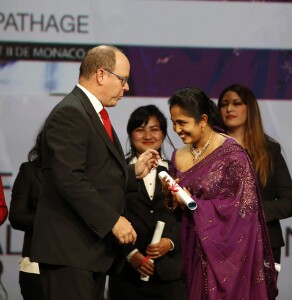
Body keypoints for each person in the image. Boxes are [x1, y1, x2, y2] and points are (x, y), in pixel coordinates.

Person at [30, 45, 160, 300]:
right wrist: (112, 220)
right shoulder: (71, 112)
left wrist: (133, 172)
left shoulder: (90, 112)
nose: (127, 88)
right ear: (101, 75)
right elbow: (69, 178)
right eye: (123, 79)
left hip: (87, 253)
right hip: (69, 252)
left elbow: (95, 173)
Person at [163, 87, 278, 299]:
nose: (176, 129)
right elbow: (176, 212)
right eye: (173, 122)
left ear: (203, 120)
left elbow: (243, 212)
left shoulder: (233, 155)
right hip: (191, 251)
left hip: (228, 259)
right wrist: (172, 198)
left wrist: (195, 205)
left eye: (182, 123)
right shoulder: (178, 155)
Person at [109, 105, 187, 300]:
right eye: (140, 129)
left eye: (154, 129)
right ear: (130, 134)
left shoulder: (179, 173)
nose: (147, 135)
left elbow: (189, 218)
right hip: (127, 277)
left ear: (163, 133)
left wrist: (170, 242)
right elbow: (106, 215)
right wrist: (130, 254)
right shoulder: (116, 174)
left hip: (172, 277)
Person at [217, 83, 292, 268]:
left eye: (237, 103)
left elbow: (290, 203)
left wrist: (252, 211)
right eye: (224, 104)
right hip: (220, 244)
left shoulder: (270, 150)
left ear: (250, 109)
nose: (229, 108)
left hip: (264, 244)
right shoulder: (209, 152)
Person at [9, 131, 44, 300]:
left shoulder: (85, 173)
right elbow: (16, 217)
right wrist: (50, 221)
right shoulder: (29, 171)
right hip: (36, 264)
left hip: (76, 266)